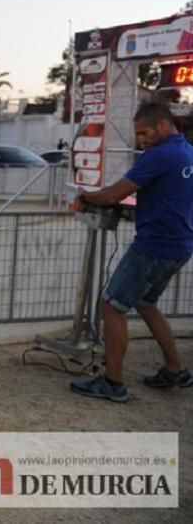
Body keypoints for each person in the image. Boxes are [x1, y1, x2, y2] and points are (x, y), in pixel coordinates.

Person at [71, 102, 193, 402]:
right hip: (180, 244)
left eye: (144, 133)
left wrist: (86, 196)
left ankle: (112, 383)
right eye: (138, 135)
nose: (141, 140)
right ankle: (175, 370)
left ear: (164, 126)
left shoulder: (160, 155)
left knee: (112, 305)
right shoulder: (187, 152)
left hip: (153, 246)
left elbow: (115, 193)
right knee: (146, 302)